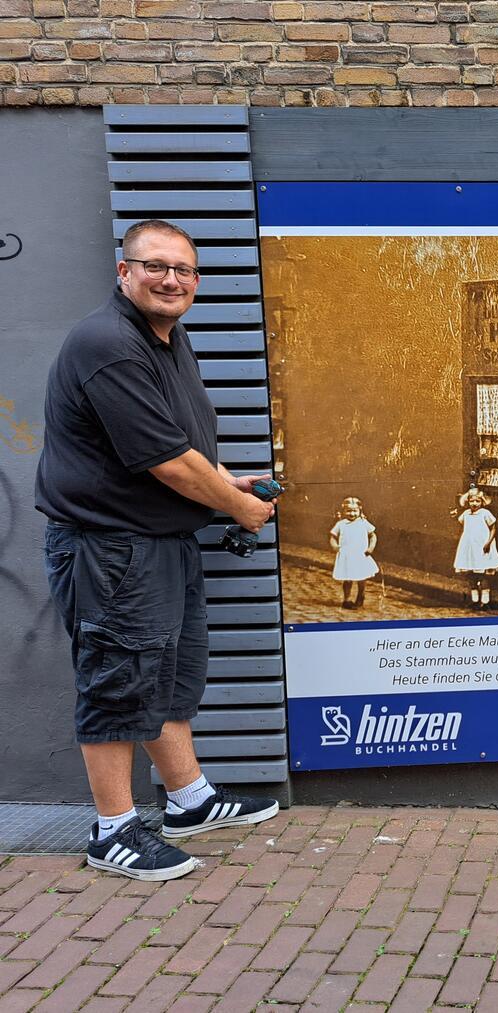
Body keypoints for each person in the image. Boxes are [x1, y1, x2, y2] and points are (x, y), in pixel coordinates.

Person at [35, 220, 280, 882]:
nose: (171, 279)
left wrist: (225, 482)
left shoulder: (167, 338)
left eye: (184, 270)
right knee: (119, 678)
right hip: (113, 548)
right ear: (124, 271)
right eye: (156, 266)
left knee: (167, 677)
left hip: (161, 540)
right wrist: (239, 507)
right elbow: (168, 461)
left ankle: (189, 800)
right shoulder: (110, 344)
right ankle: (111, 829)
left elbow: (172, 443)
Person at [453, 484, 498, 607]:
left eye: (477, 501)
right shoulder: (466, 514)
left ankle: (485, 601)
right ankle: (474, 600)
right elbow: (460, 522)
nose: (474, 503)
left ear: (482, 502)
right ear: (468, 502)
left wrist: (488, 542)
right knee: (471, 573)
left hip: (482, 546)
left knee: (483, 573)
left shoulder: (485, 513)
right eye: (472, 501)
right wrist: (454, 513)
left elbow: (493, 528)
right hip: (469, 547)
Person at [329, 496, 378, 609]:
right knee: (348, 578)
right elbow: (332, 536)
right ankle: (347, 599)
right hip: (346, 555)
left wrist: (370, 548)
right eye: (349, 511)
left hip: (360, 554)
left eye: (355, 511)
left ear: (360, 510)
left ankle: (361, 596)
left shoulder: (363, 522)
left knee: (361, 578)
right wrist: (335, 546)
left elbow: (373, 536)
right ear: (344, 511)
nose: (352, 514)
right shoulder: (341, 524)